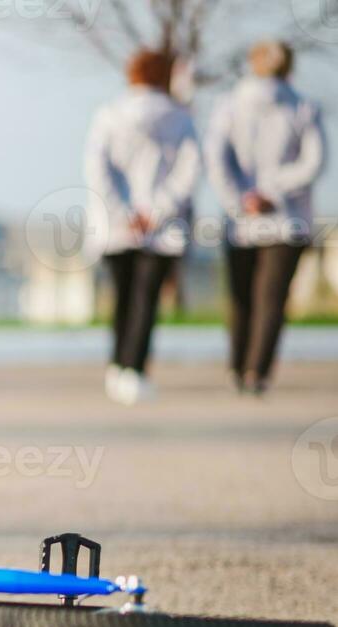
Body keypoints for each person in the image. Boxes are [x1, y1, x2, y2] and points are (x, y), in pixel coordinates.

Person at [205, 40, 326, 396]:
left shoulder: (227, 106)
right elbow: (314, 162)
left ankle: (237, 366)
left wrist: (242, 198)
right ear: (289, 67)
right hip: (287, 221)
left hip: (239, 219)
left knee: (240, 297)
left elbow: (216, 158)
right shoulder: (304, 106)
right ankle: (257, 372)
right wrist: (275, 191)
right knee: (271, 299)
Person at [83, 48, 202, 405]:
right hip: (160, 229)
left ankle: (118, 366)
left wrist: (121, 212)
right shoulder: (181, 119)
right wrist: (157, 210)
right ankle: (134, 369)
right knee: (146, 299)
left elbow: (96, 168)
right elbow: (189, 171)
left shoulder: (108, 115)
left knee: (122, 297)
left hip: (116, 226)